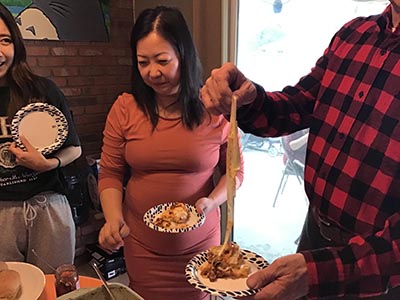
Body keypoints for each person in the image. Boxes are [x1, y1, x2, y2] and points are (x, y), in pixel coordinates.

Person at [200, 1, 400, 299]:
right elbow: (298, 105)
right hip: (315, 235)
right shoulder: (353, 35)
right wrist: (249, 98)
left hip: (377, 274)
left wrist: (320, 273)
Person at [97, 5, 244, 300]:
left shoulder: (216, 109)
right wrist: (113, 219)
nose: (152, 72)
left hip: (200, 246)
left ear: (184, 55)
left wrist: (211, 201)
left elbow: (235, 172)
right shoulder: (125, 108)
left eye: (162, 60)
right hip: (142, 246)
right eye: (143, 62)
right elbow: (110, 172)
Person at [0, 3, 81, 274]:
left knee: (56, 286)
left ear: (16, 44)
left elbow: (74, 149)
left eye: (5, 40)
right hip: (1, 214)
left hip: (48, 207)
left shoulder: (43, 90)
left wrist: (49, 164)